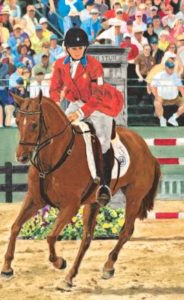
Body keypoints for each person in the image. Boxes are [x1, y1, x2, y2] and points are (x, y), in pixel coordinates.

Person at [50, 28, 123, 206]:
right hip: (76, 102)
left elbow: (97, 97)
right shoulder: (59, 64)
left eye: (81, 47)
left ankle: (104, 185)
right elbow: (54, 88)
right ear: (66, 48)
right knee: (59, 131)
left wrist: (80, 113)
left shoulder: (94, 65)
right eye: (74, 48)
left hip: (99, 104)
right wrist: (57, 106)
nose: (78, 51)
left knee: (103, 141)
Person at [150, 59, 184, 127]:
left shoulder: (175, 75)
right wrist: (156, 95)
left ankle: (174, 118)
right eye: (170, 68)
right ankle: (162, 119)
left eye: (172, 68)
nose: (171, 69)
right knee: (156, 102)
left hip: (175, 98)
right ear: (165, 67)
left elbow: (180, 86)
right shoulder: (159, 75)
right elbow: (153, 86)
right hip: (162, 98)